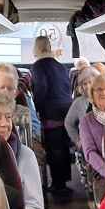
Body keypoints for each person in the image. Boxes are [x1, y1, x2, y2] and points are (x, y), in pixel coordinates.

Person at [30, 35, 74, 197]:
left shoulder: (38, 66)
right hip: (66, 109)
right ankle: (64, 181)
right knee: (63, 146)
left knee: (54, 147)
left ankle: (58, 184)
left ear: (36, 48)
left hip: (51, 111)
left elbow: (41, 89)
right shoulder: (59, 65)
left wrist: (36, 108)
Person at [79, 74, 105, 202]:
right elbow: (90, 153)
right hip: (102, 172)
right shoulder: (87, 121)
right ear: (92, 94)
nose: (104, 93)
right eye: (99, 89)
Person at [66, 67, 100, 147]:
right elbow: (68, 123)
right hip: (87, 144)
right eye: (85, 84)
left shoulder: (104, 98)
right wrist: (77, 140)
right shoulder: (78, 102)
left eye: (90, 82)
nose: (88, 86)